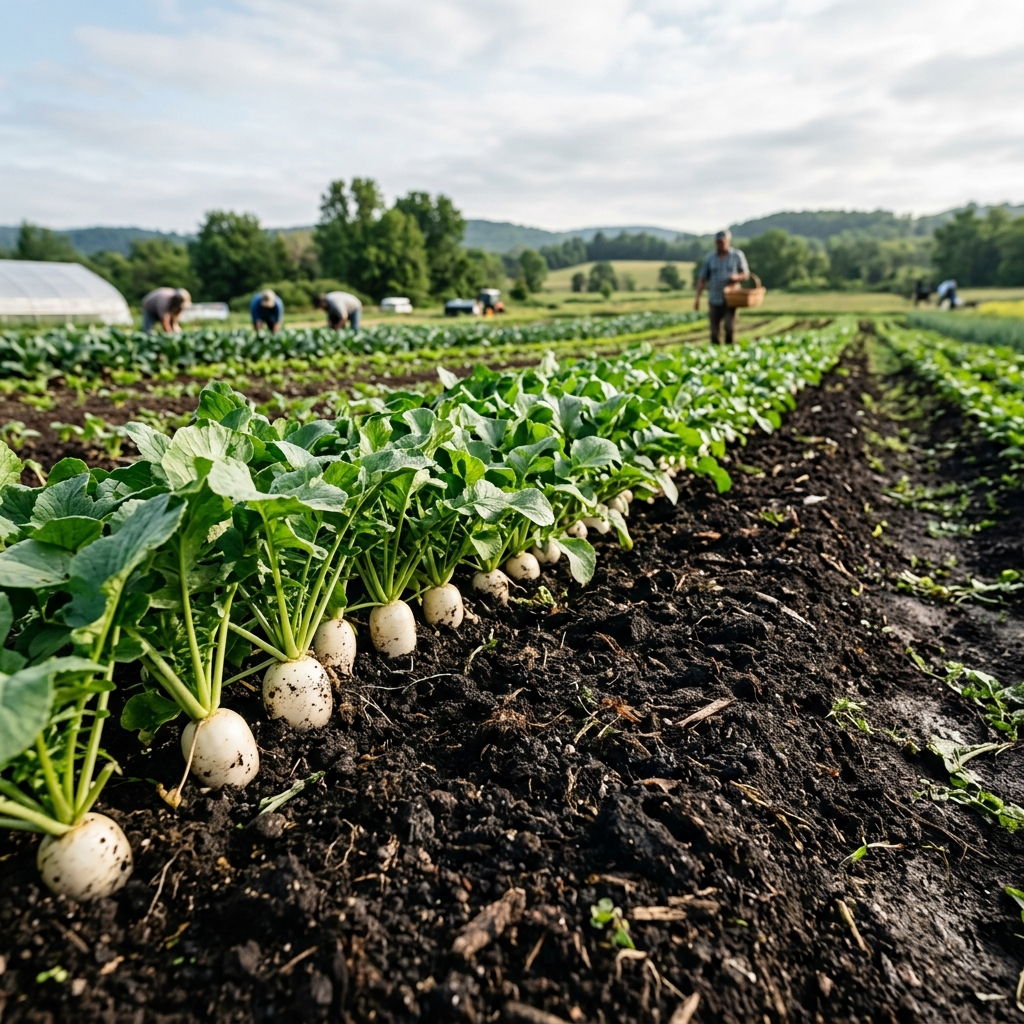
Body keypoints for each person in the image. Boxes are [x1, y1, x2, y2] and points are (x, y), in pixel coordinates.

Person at [694, 230, 750, 344]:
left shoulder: (737, 255)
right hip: (714, 299)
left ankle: (729, 351)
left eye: (723, 242)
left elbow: (746, 274)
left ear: (729, 241)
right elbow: (702, 278)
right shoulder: (710, 258)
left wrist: (736, 277)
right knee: (714, 330)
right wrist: (697, 298)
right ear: (716, 242)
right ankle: (716, 353)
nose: (721, 244)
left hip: (731, 299)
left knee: (729, 327)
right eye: (719, 242)